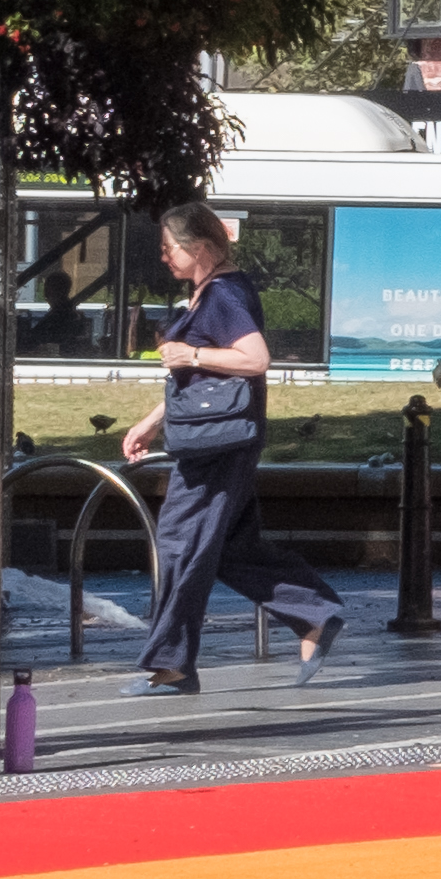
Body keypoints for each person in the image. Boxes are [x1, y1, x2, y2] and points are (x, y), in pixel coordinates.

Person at [121, 200, 338, 690]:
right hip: (219, 438)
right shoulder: (215, 292)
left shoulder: (222, 295)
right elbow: (201, 381)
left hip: (216, 447)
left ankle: (172, 661)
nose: (163, 257)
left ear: (199, 248)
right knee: (233, 550)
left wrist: (190, 351)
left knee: (179, 544)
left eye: (168, 247)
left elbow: (255, 359)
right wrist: (153, 421)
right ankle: (315, 615)